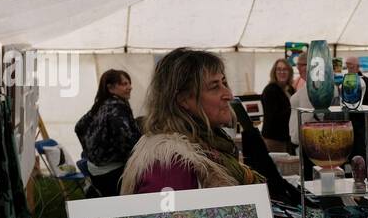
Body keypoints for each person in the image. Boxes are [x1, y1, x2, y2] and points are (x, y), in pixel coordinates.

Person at [121, 48, 296, 201]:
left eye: (224, 83)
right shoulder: (169, 164)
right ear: (183, 100)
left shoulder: (208, 146)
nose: (228, 94)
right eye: (214, 87)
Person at [74, 69, 141, 197]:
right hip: (112, 172)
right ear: (110, 88)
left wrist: (91, 152)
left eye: (129, 83)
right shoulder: (117, 107)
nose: (130, 87)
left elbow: (79, 127)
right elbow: (126, 138)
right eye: (124, 84)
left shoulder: (101, 104)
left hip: (96, 170)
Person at [259, 57, 294, 153]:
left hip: (287, 138)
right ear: (274, 72)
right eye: (279, 69)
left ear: (289, 72)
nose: (282, 72)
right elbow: (273, 117)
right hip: (274, 140)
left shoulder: (290, 89)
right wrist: (293, 109)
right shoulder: (270, 90)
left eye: (285, 69)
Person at [288, 51, 313, 149]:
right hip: (302, 141)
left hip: (305, 142)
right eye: (298, 65)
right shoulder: (307, 85)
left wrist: (297, 139)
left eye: (301, 65)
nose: (298, 68)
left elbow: (307, 117)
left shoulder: (312, 88)